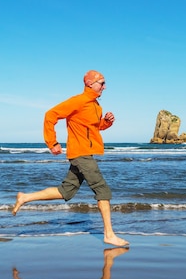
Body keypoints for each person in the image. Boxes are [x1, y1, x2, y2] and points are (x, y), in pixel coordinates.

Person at [12, 70, 129, 247]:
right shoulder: (78, 101)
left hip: (84, 153)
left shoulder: (95, 105)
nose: (105, 87)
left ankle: (25, 197)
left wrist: (107, 121)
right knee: (102, 190)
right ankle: (109, 234)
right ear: (90, 83)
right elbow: (50, 115)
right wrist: (52, 143)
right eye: (102, 83)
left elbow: (95, 128)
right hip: (80, 153)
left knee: (66, 191)